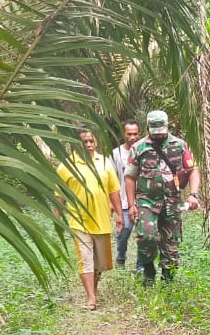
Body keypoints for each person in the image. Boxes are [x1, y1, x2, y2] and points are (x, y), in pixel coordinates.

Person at [123, 109, 199, 285]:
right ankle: (148, 268)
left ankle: (167, 284)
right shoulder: (139, 147)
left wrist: (194, 194)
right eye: (155, 132)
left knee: (171, 247)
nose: (158, 135)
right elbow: (130, 177)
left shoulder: (180, 145)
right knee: (146, 237)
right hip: (146, 201)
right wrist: (132, 205)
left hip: (172, 202)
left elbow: (193, 170)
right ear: (148, 128)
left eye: (161, 131)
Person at [55, 128, 120, 309]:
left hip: (102, 220)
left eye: (92, 141)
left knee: (100, 263)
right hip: (78, 221)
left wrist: (120, 215)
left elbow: (114, 190)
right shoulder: (66, 166)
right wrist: (57, 219)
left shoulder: (105, 163)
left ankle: (94, 288)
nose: (89, 145)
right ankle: (91, 297)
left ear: (96, 142)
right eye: (85, 142)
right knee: (86, 260)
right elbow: (59, 195)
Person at [110, 119, 139, 268]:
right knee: (123, 231)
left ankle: (141, 266)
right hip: (124, 201)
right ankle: (120, 258)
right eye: (129, 134)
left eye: (135, 134)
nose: (132, 137)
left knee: (144, 236)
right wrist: (111, 202)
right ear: (124, 134)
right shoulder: (116, 153)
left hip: (143, 201)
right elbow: (110, 179)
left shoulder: (144, 151)